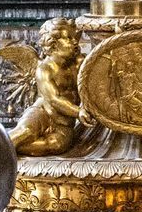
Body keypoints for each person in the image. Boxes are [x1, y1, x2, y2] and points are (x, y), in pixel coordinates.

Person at [9, 18, 89, 156]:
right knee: (25, 132)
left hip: (64, 123)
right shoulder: (45, 69)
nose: (75, 41)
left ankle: (5, 148)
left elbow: (99, 67)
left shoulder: (78, 63)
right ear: (53, 43)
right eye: (68, 38)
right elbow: (54, 99)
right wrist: (78, 112)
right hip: (42, 113)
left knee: (56, 145)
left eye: (74, 37)